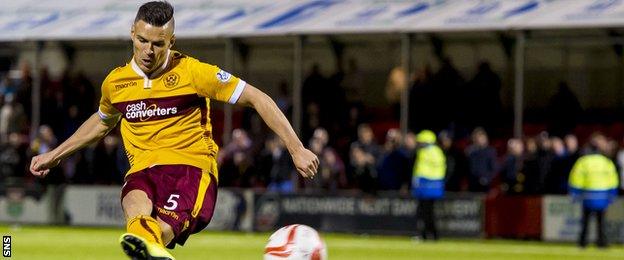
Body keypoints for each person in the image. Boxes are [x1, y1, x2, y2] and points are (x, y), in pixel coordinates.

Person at [28, 2, 319, 260]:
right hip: (142, 170)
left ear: (171, 41)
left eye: (158, 44)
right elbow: (103, 121)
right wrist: (56, 154)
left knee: (159, 232)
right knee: (134, 207)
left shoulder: (193, 73)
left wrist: (296, 147)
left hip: (190, 170)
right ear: (132, 33)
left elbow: (257, 97)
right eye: (142, 40)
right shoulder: (115, 83)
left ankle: (153, 247)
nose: (148, 51)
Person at [569, 133, 619, 248]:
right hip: (602, 195)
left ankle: (583, 242)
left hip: (587, 195)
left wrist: (575, 192)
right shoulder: (606, 162)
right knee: (601, 222)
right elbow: (613, 179)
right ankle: (602, 242)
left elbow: (576, 178)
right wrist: (612, 193)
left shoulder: (584, 161)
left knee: (585, 221)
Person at [411, 130, 446, 241]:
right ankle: (431, 235)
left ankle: (427, 235)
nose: (419, 144)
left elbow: (422, 171)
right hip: (433, 187)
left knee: (425, 212)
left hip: (426, 186)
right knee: (427, 212)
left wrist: (418, 183)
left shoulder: (426, 152)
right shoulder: (437, 151)